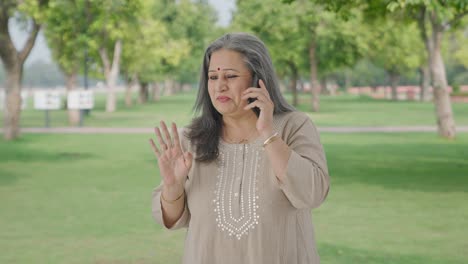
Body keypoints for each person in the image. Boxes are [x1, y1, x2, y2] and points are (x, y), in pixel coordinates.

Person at [149, 32, 330, 264]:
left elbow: (312, 195)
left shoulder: (294, 126)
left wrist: (268, 134)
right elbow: (172, 219)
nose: (220, 86)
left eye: (231, 76)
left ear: (258, 80)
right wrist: (173, 187)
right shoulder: (191, 139)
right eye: (213, 77)